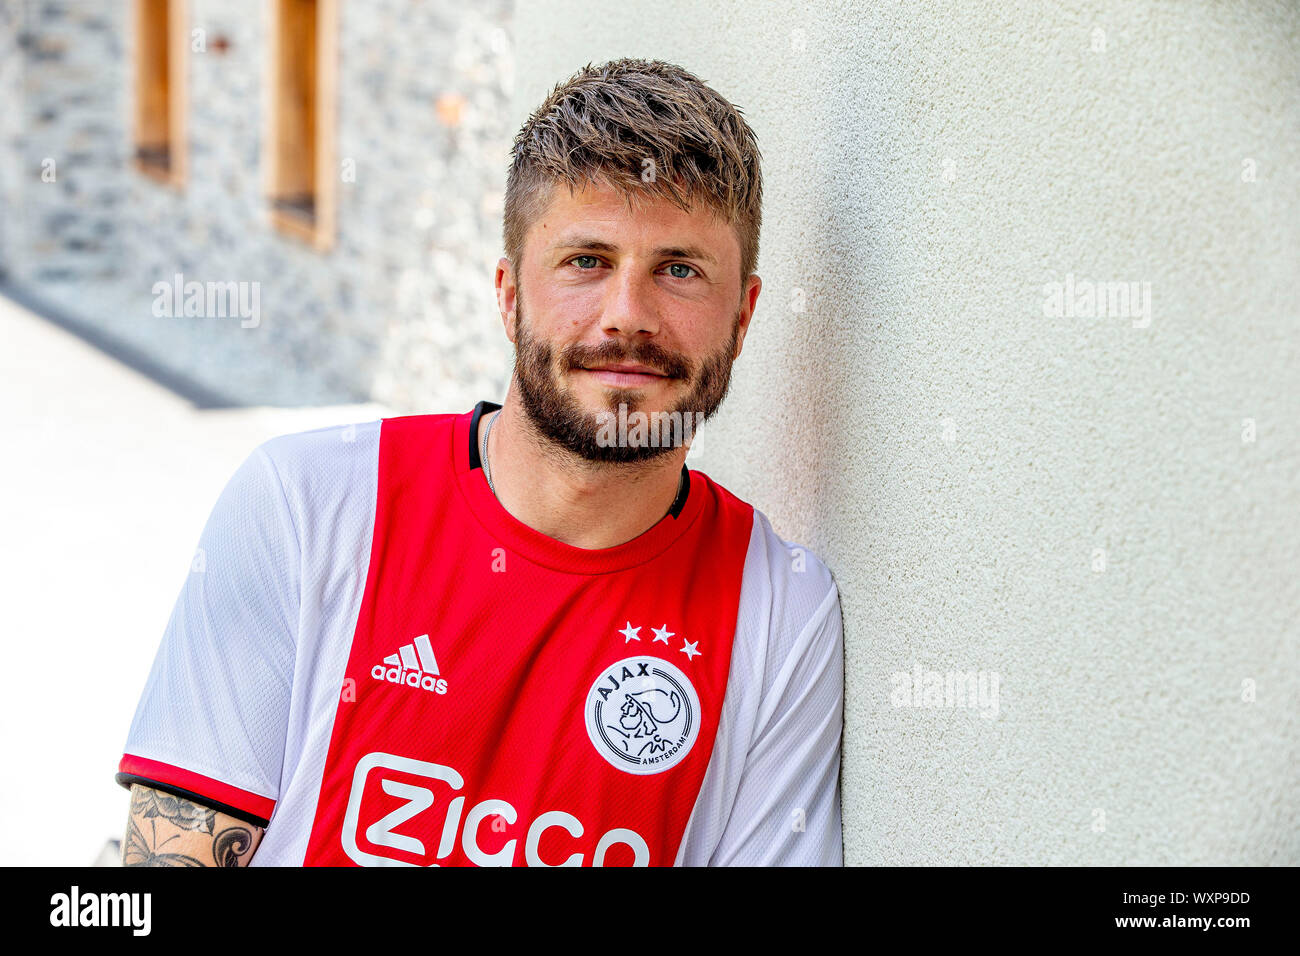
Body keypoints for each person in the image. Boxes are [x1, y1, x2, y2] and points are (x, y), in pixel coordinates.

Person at [117, 57, 844, 867]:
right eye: (586, 261)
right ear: (508, 293)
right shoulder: (308, 503)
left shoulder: (781, 612)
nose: (627, 316)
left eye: (679, 270)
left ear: (741, 317)